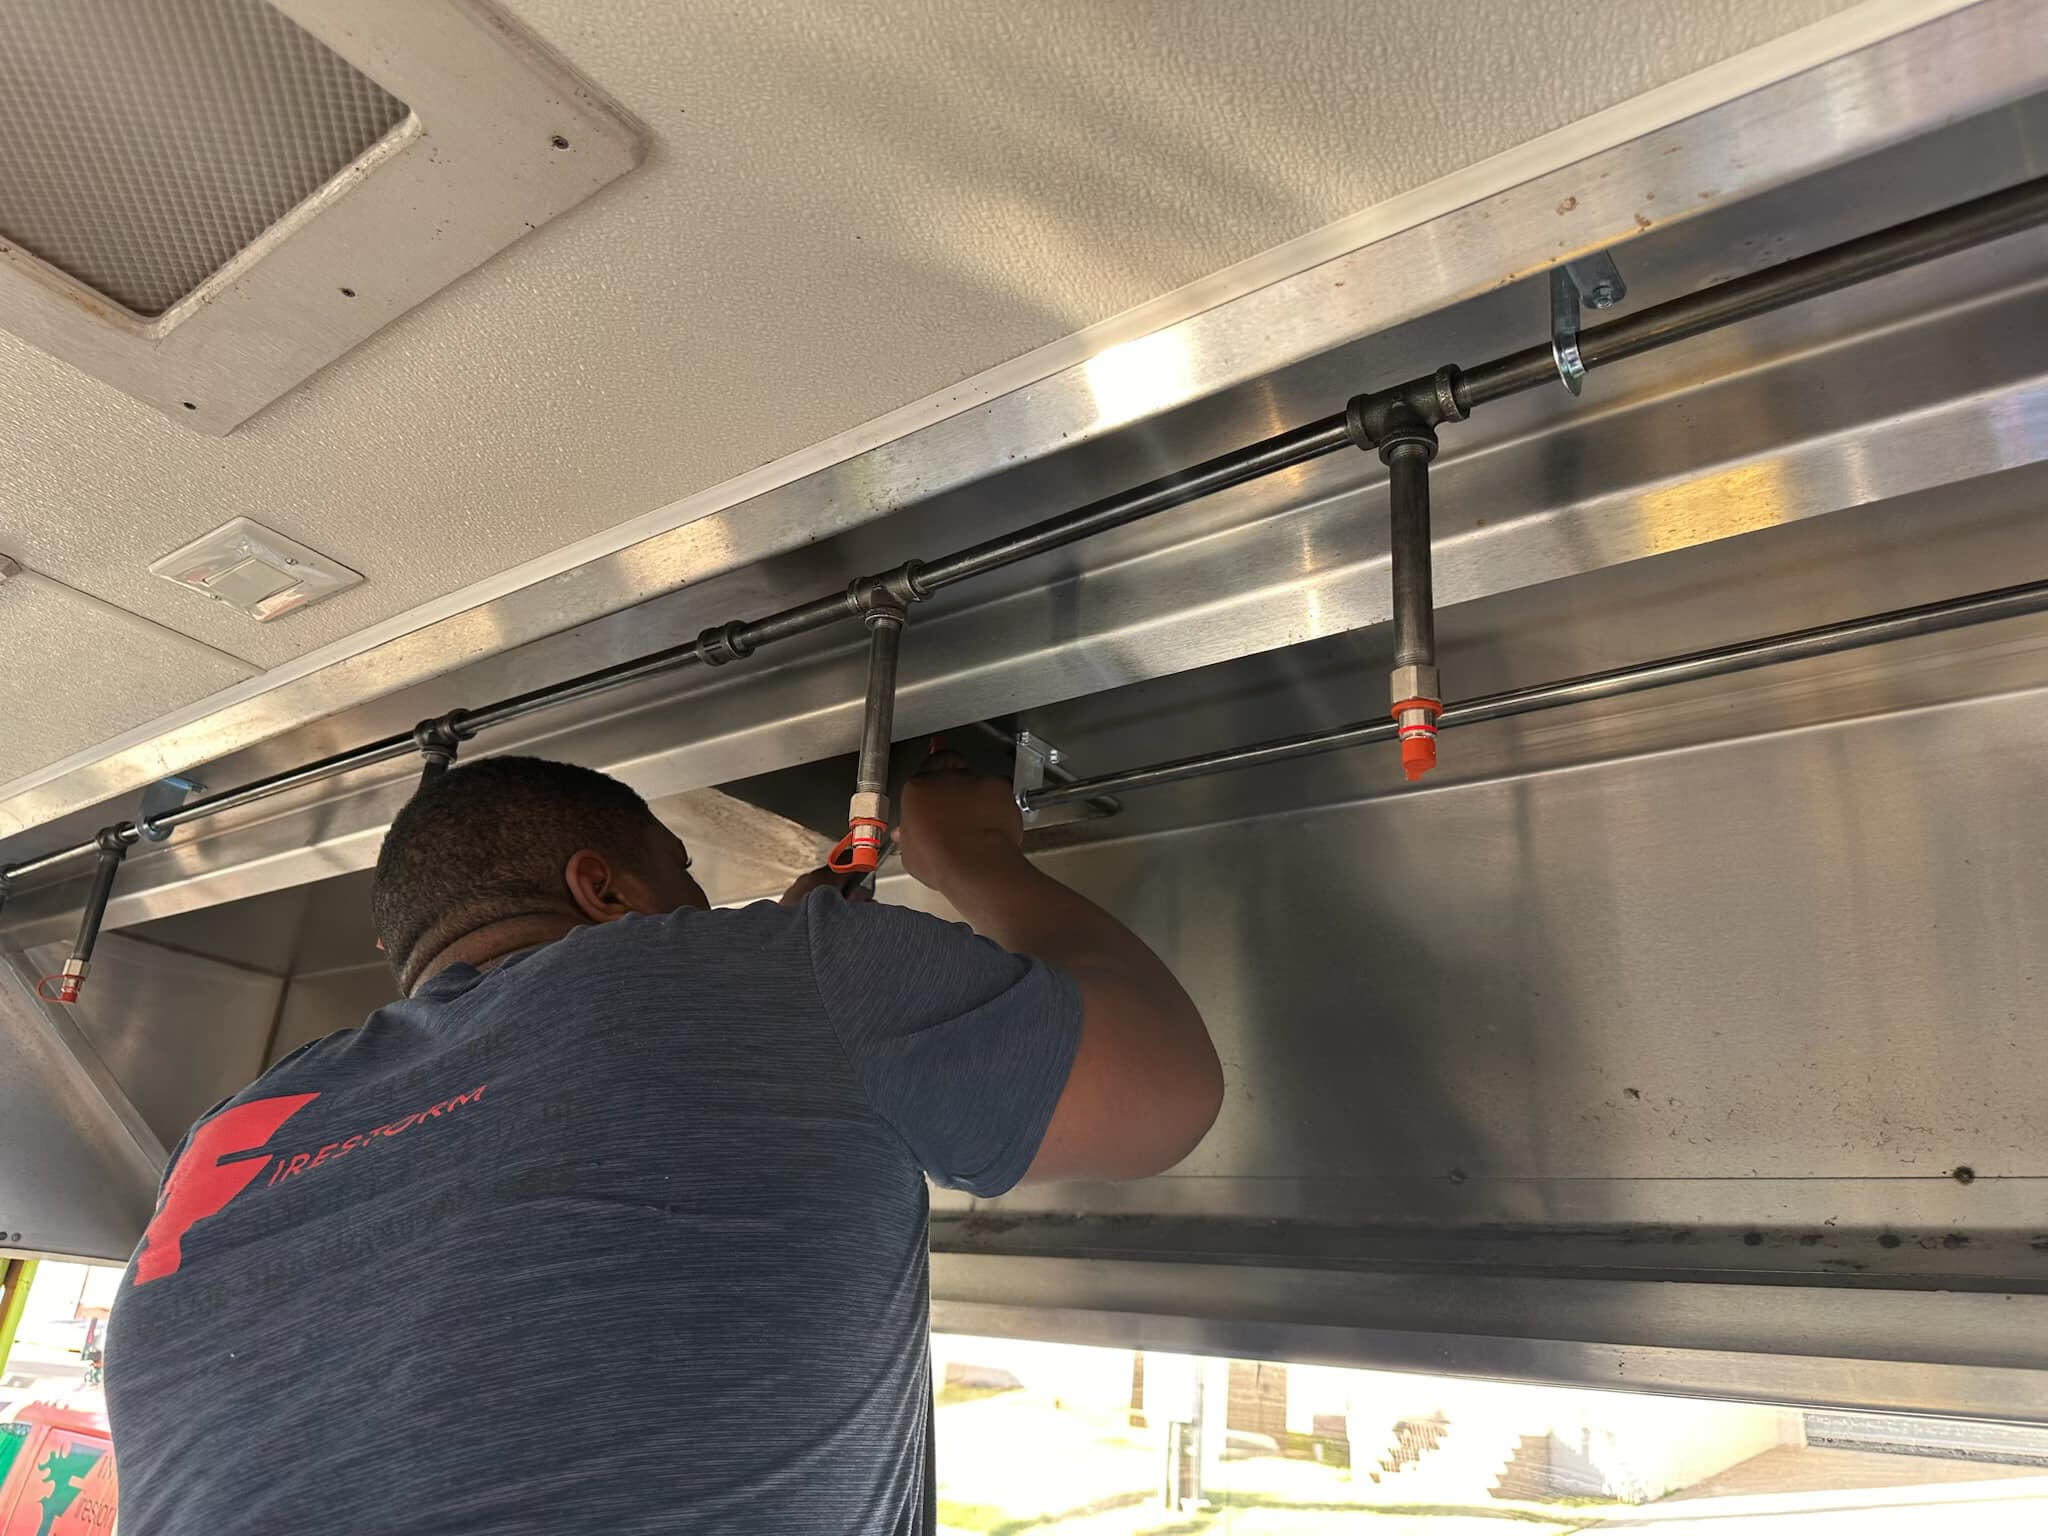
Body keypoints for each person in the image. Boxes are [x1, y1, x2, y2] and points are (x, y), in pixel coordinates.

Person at [105, 753, 1221, 1533]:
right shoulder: (780, 972)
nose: (706, 913)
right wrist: (976, 860)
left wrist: (779, 972)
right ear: (601, 887)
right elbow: (1165, 1091)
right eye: (686, 882)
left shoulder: (233, 1131)